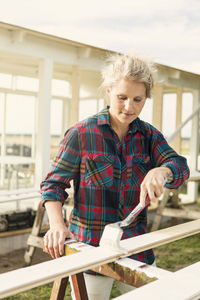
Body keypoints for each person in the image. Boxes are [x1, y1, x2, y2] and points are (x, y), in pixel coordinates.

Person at [41, 52, 190, 299]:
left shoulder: (149, 136)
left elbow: (180, 166)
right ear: (108, 91)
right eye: (122, 97)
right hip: (90, 251)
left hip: (137, 249)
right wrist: (57, 225)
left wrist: (163, 170)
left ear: (145, 99)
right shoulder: (81, 133)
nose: (129, 107)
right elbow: (53, 185)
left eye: (138, 100)